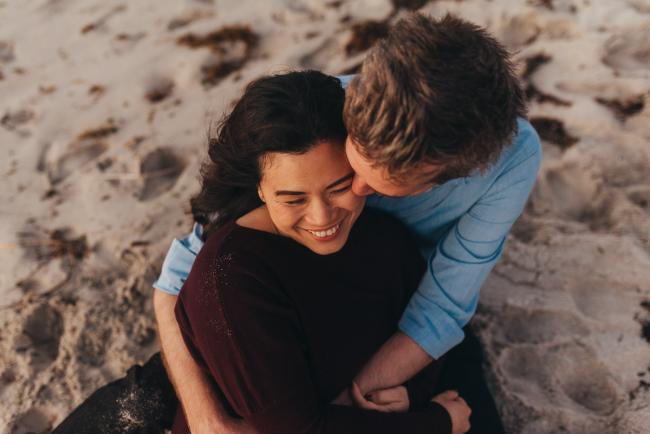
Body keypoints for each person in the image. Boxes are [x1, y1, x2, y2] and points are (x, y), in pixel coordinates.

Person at [153, 13, 540, 434]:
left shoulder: (508, 162)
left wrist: (354, 406)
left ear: (447, 175)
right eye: (354, 159)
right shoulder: (322, 111)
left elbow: (442, 306)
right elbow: (181, 278)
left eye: (376, 184)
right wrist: (208, 419)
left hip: (398, 306)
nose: (354, 187)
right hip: (302, 307)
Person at [52, 70, 479, 434]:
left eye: (338, 186)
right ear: (259, 187)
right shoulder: (231, 281)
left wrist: (413, 393)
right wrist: (436, 422)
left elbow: (430, 335)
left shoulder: (384, 235)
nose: (322, 216)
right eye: (293, 198)